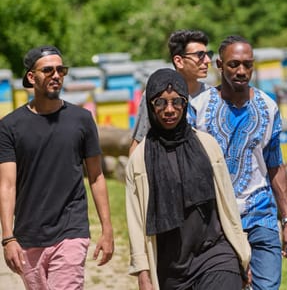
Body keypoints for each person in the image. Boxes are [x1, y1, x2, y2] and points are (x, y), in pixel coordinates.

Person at [190, 35, 287, 290]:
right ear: (219, 65)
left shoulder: (268, 107)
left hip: (261, 215)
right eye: (233, 64)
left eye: (247, 65)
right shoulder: (198, 110)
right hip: (216, 222)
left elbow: (275, 164)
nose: (241, 71)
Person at [0, 45, 114, 289]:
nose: (56, 75)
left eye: (61, 70)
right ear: (32, 77)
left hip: (71, 231)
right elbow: (7, 185)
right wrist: (8, 237)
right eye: (48, 70)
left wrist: (107, 229)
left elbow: (96, 176)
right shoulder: (10, 127)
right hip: (28, 235)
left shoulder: (81, 120)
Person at [126, 68, 251, 290]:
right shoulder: (139, 159)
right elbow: (135, 221)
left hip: (215, 254)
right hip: (170, 267)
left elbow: (227, 204)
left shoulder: (207, 145)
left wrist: (241, 253)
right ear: (150, 106)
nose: (169, 110)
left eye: (176, 102)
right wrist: (142, 272)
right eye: (160, 103)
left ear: (185, 104)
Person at [129, 29, 214, 155]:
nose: (207, 60)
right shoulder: (154, 95)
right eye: (200, 55)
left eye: (208, 54)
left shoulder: (212, 96)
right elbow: (138, 142)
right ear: (179, 61)